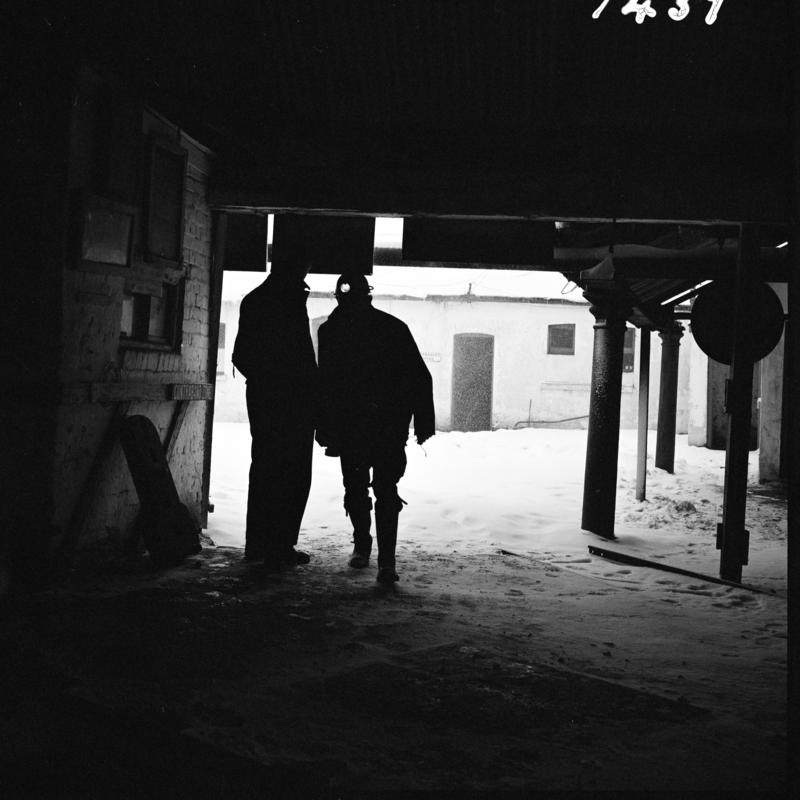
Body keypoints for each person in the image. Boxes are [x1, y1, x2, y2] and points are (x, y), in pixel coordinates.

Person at [316, 273, 435, 584]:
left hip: (371, 427)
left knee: (368, 489)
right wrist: (422, 422)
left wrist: (326, 426)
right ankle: (376, 555)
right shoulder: (384, 328)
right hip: (375, 426)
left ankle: (377, 554)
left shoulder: (337, 331)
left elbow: (417, 376)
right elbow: (327, 382)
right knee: (374, 490)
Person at [232, 258, 318, 570]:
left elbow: (242, 355)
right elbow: (298, 361)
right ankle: (280, 544)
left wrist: (266, 384)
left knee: (266, 469)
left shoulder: (257, 300)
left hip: (268, 401)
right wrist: (290, 387)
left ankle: (259, 543)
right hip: (290, 404)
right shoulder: (285, 302)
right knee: (292, 473)